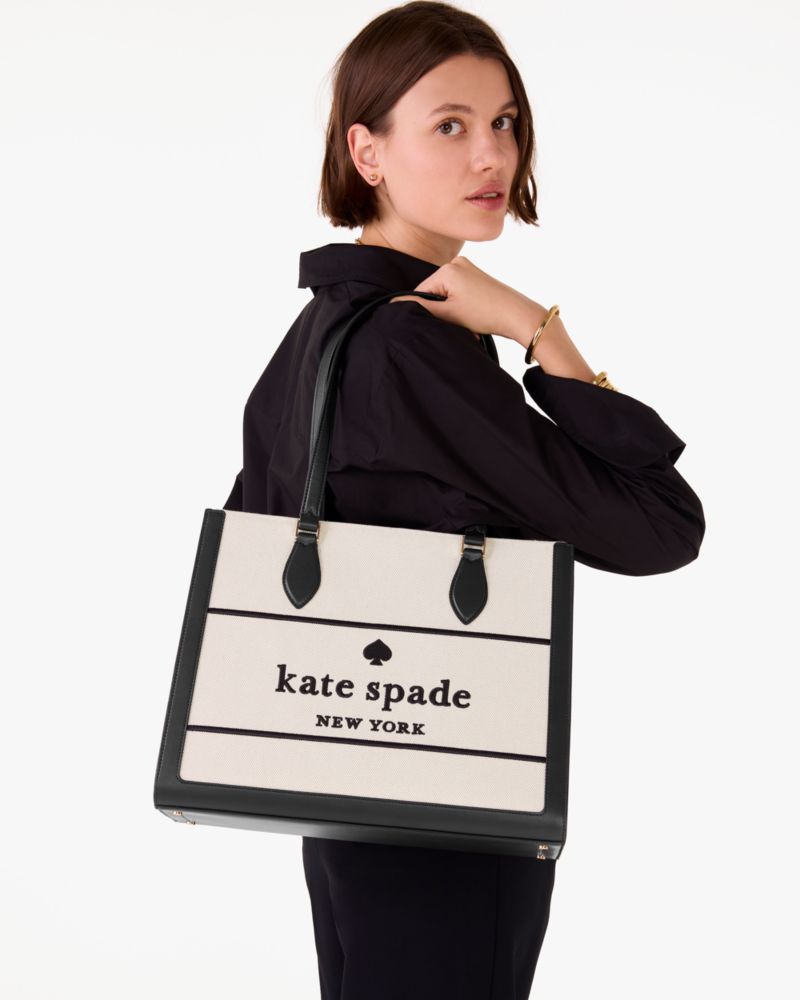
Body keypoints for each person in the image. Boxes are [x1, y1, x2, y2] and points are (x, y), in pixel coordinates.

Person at [222, 3, 706, 997]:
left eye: (504, 122)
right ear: (366, 151)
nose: (491, 153)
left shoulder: (316, 336)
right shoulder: (411, 347)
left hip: (347, 789)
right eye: (449, 124)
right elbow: (659, 526)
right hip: (448, 800)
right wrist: (540, 331)